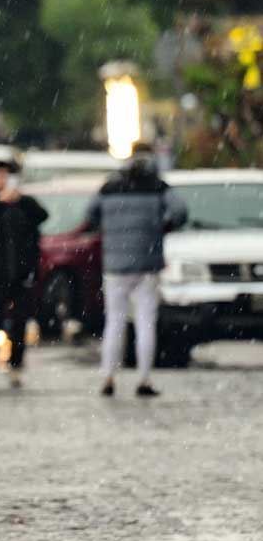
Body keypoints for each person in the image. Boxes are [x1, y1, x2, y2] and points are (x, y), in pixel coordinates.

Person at [84, 143, 188, 398]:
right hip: (147, 263)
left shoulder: (109, 186)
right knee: (145, 322)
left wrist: (108, 228)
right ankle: (144, 378)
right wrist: (163, 227)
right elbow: (180, 211)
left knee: (114, 321)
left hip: (115, 264)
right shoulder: (158, 186)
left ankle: (108, 375)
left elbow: (90, 213)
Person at [0, 160, 48, 388]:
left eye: (6, 176)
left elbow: (42, 216)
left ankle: (15, 366)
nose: (1, 181)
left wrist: (20, 199)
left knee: (19, 322)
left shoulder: (25, 203)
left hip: (21, 273)